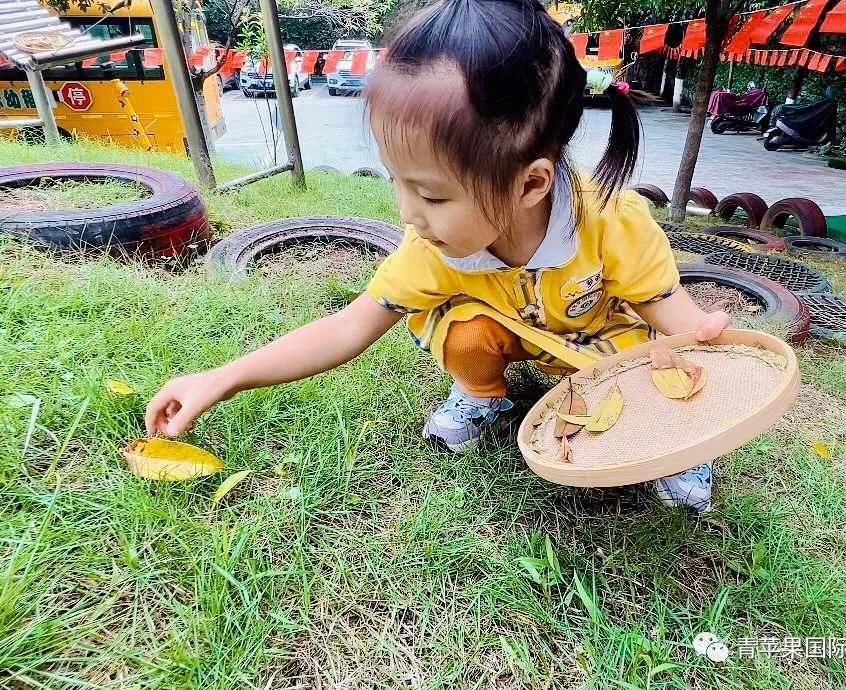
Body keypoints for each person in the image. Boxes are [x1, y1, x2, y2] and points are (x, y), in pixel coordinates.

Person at [146, 0, 730, 513]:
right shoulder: (432, 248)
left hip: (601, 347)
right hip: (516, 335)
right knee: (464, 332)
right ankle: (481, 394)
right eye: (397, 183)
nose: (408, 214)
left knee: (652, 372)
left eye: (431, 195)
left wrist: (707, 348)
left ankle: (679, 449)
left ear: (531, 183)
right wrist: (224, 377)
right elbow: (348, 327)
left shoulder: (609, 219)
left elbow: (675, 318)